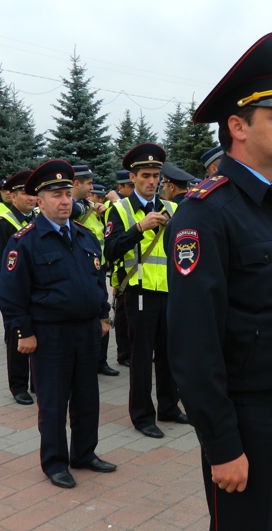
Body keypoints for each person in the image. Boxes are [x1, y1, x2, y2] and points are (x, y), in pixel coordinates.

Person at [165, 32, 272, 531]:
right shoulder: (207, 214)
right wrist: (222, 444)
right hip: (247, 418)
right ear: (238, 127)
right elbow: (194, 345)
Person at [0, 159, 116, 489]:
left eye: (67, 193)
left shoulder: (85, 236)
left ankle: (84, 453)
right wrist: (24, 332)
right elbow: (11, 293)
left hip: (86, 331)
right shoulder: (26, 241)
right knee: (53, 402)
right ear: (40, 200)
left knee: (87, 398)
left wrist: (103, 315)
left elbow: (96, 281)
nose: (65, 201)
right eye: (56, 195)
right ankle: (54, 462)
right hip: (50, 335)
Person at [105, 143, 185, 439]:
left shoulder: (173, 208)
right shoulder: (120, 210)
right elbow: (110, 251)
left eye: (156, 176)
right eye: (146, 176)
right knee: (141, 358)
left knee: (169, 354)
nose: (152, 181)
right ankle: (141, 415)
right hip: (138, 293)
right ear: (133, 178)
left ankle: (168, 407)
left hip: (169, 292)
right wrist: (138, 228)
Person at [0, 170, 36, 405]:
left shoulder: (37, 220)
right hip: (14, 293)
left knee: (39, 336)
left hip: (37, 292)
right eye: (24, 193)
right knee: (17, 338)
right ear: (12, 196)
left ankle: (37, 381)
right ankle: (18, 385)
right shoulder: (2, 223)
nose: (30, 197)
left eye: (32, 193)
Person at [72, 166, 118, 378]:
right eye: (88, 183)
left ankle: (101, 360)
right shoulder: (71, 207)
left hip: (98, 266)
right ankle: (85, 361)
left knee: (103, 308)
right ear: (76, 184)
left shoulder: (88, 206)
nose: (91, 188)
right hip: (80, 267)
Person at [106, 171, 134, 367]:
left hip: (143, 278)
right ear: (121, 187)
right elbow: (112, 247)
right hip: (124, 274)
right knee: (123, 318)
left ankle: (128, 352)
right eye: (129, 186)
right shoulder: (118, 208)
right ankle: (124, 354)